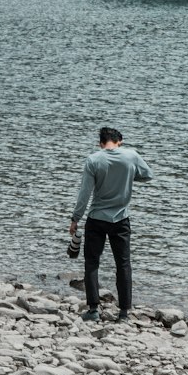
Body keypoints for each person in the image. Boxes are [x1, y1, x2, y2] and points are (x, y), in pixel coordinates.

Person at [69, 126, 152, 323]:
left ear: (101, 143)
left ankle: (93, 309)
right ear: (120, 141)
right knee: (123, 265)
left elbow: (85, 193)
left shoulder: (94, 159)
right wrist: (129, 175)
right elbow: (148, 175)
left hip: (96, 219)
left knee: (92, 264)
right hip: (121, 219)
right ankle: (124, 313)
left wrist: (75, 218)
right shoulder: (131, 156)